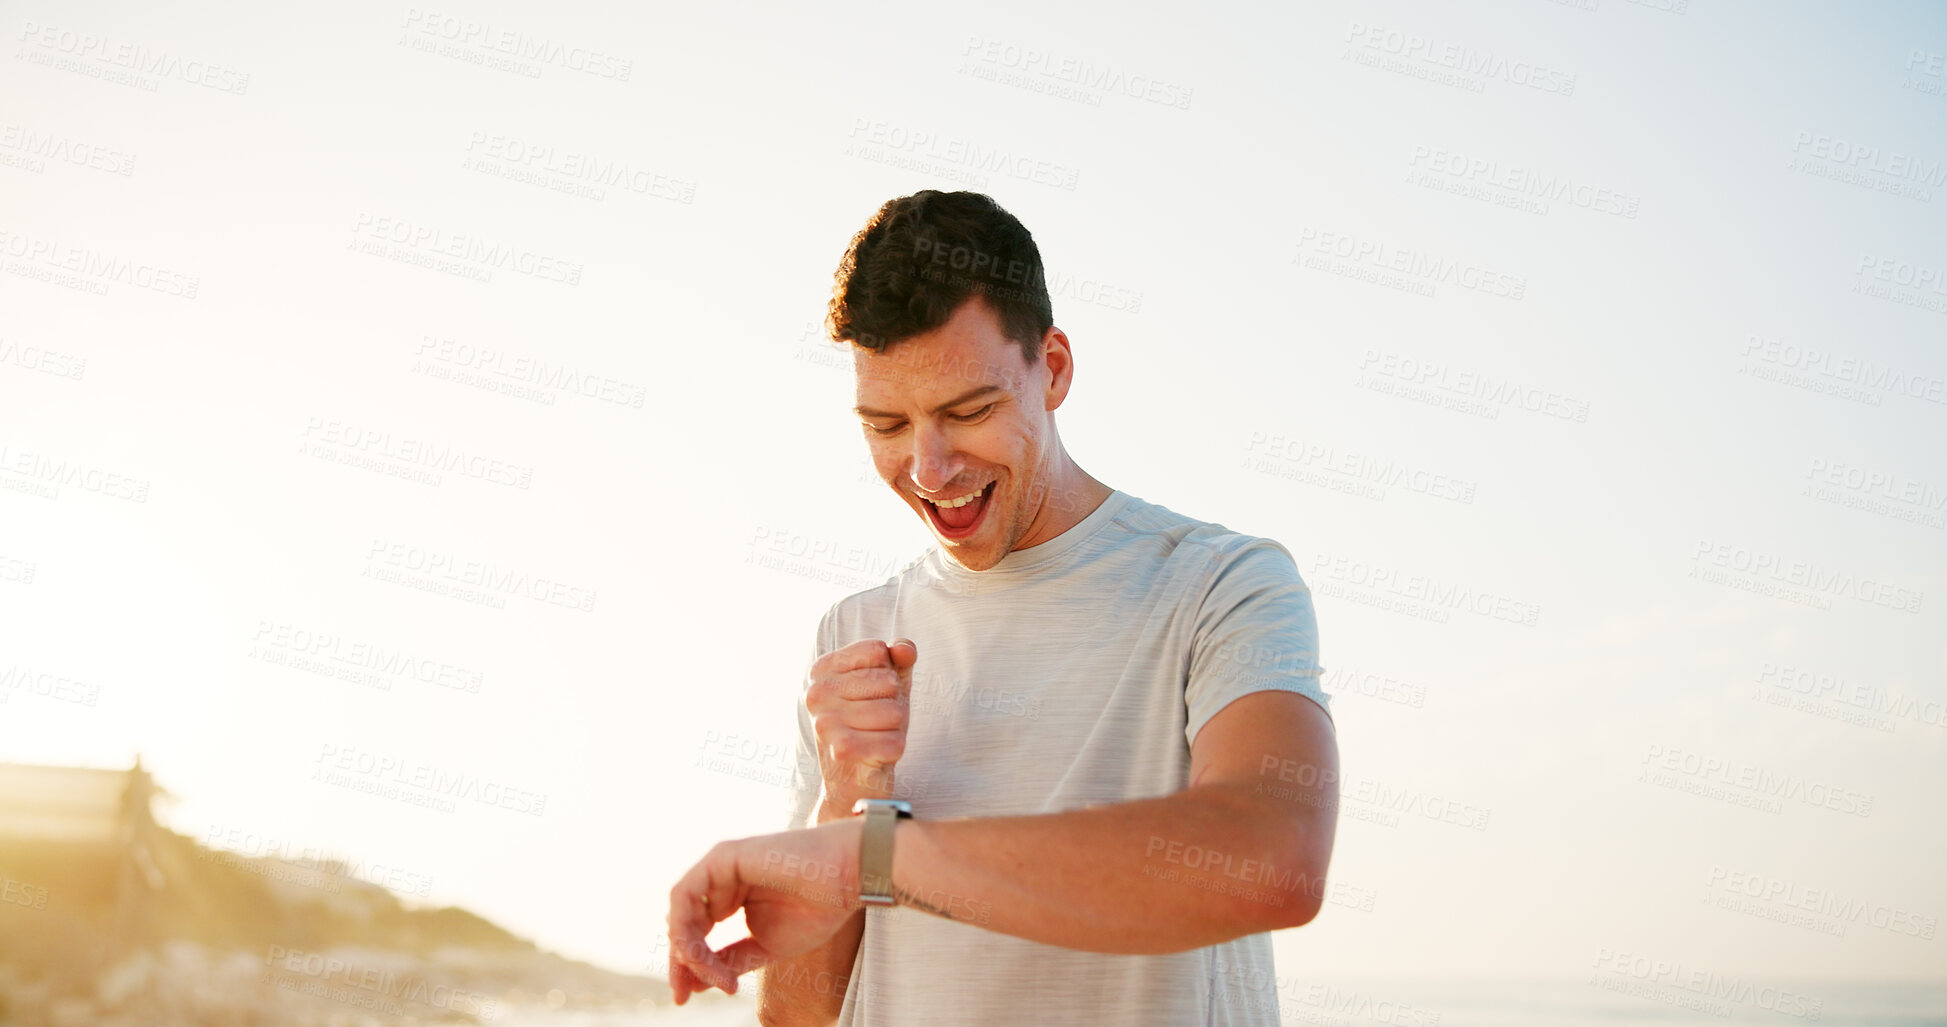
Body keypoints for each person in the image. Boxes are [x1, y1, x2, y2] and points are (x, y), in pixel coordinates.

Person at [665, 190, 1339, 1026]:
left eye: (968, 412)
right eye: (885, 423)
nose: (928, 468)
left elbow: (1269, 860)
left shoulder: (1220, 583)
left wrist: (874, 854)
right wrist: (846, 804)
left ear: (1051, 367)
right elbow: (799, 1019)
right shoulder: (853, 634)